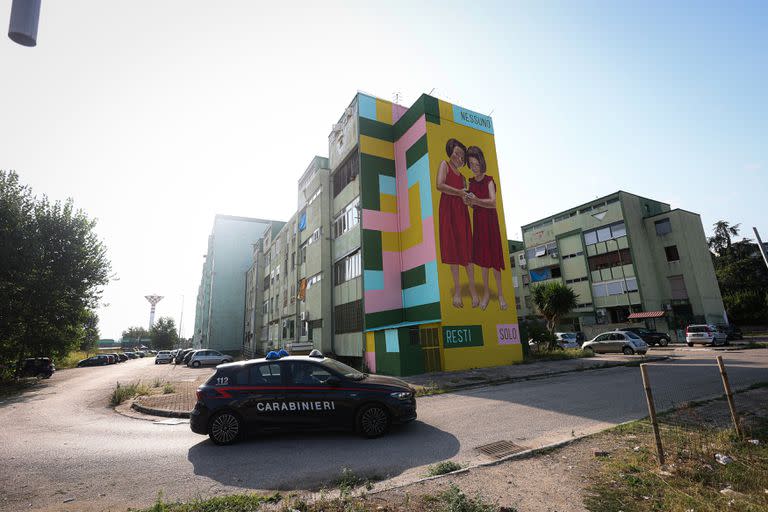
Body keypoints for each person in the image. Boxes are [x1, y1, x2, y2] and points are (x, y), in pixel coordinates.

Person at [437, 138, 478, 308]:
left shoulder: (463, 178)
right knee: (452, 249)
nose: (459, 157)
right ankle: (457, 293)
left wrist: (469, 198)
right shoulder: (444, 165)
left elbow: (467, 202)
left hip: (461, 213)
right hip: (448, 210)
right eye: (457, 152)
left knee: (467, 250)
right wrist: (459, 193)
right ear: (451, 151)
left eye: (462, 155)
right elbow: (439, 185)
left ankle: (474, 292)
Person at [465, 145, 507, 310]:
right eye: (471, 164)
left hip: (491, 223)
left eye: (476, 164)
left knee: (494, 259)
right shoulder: (471, 182)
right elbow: (472, 204)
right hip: (479, 223)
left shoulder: (489, 180)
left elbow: (493, 202)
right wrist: (468, 200)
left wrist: (476, 201)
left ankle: (501, 293)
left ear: (481, 163)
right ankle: (487, 293)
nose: (474, 168)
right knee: (483, 261)